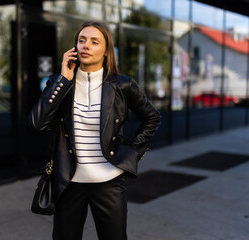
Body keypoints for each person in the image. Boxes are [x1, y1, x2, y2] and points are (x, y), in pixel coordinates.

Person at [28, 21, 161, 240]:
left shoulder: (123, 85)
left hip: (109, 182)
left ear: (106, 51)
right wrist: (63, 80)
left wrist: (132, 153)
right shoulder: (59, 83)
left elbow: (152, 117)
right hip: (68, 182)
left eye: (94, 41)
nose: (86, 46)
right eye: (81, 40)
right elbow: (37, 123)